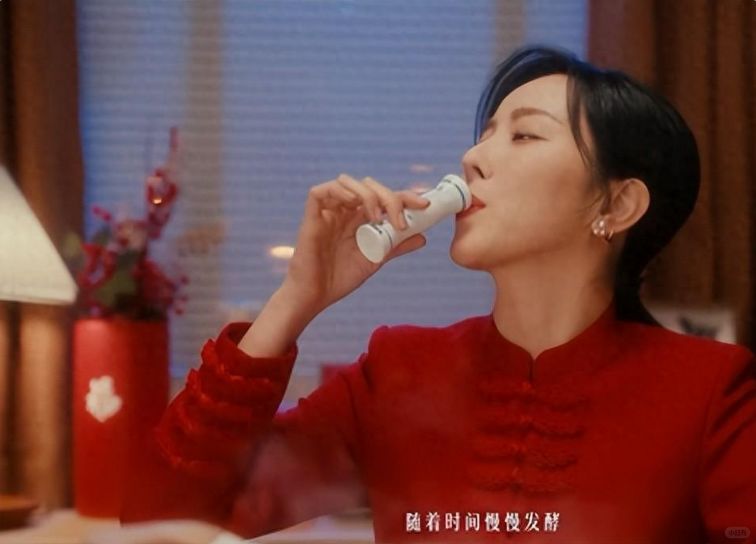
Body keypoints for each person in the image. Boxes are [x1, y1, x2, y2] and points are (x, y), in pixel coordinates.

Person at [120, 46, 756, 543]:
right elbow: (161, 522)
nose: (472, 157)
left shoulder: (712, 392)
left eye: (525, 135)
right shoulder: (397, 376)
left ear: (617, 205)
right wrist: (296, 299)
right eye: (485, 134)